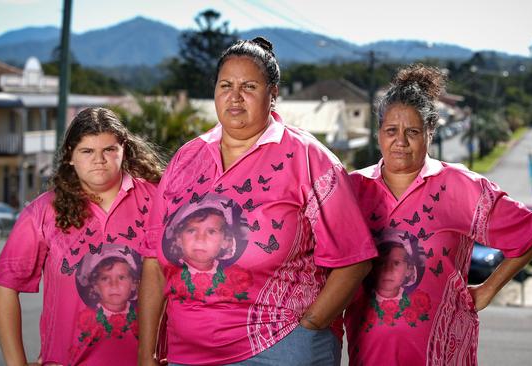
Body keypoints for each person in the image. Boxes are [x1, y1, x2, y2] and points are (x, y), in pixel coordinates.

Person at [138, 37, 377, 366]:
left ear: (273, 94)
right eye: (226, 85)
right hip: (188, 354)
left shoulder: (308, 158)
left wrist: (311, 326)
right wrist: (146, 351)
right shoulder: (185, 159)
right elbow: (153, 260)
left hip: (279, 350)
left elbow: (354, 260)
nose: (235, 97)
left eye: (249, 86)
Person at [344, 64, 532, 365]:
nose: (400, 141)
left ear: (430, 132)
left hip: (444, 354)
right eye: (391, 130)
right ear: (378, 133)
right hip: (369, 351)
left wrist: (488, 290)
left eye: (412, 132)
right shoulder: (353, 189)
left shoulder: (459, 186)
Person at [0, 107, 164, 366]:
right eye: (87, 151)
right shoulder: (43, 211)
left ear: (123, 150)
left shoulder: (158, 199)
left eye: (109, 149)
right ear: (70, 156)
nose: (99, 160)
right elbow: (4, 285)